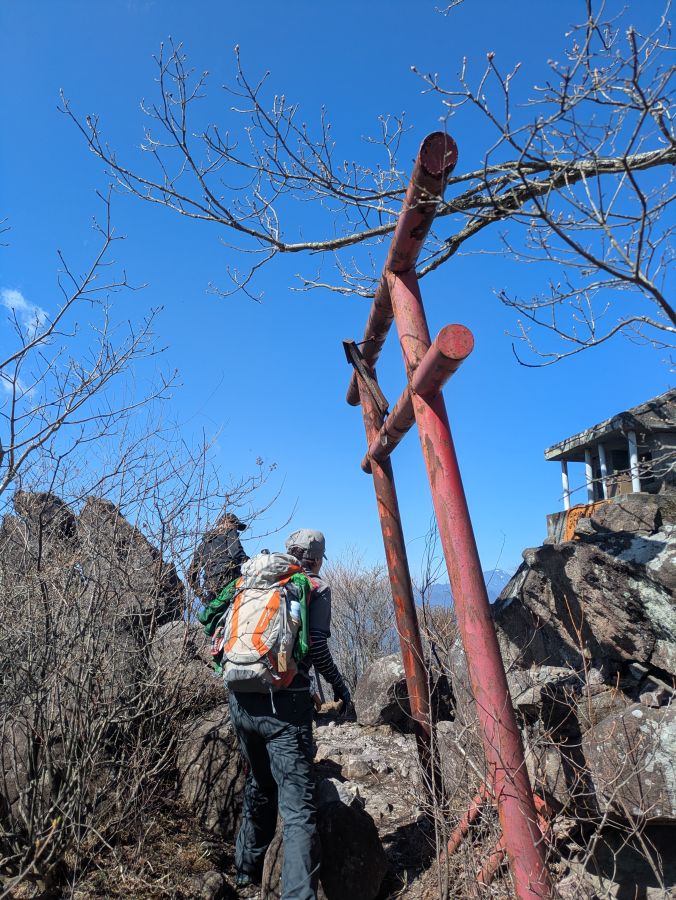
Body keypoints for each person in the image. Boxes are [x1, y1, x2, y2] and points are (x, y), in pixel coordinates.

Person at [229, 528, 351, 899]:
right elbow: (315, 646)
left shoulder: (255, 581)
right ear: (315, 558)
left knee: (260, 782)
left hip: (240, 697)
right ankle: (298, 895)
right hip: (284, 705)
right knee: (298, 810)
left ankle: (246, 871)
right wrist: (340, 687)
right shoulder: (313, 586)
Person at [188, 511, 248, 603]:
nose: (236, 529)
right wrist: (253, 563)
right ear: (229, 524)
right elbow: (237, 554)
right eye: (236, 526)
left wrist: (201, 596)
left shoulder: (203, 545)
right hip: (230, 582)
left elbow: (190, 573)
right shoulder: (229, 531)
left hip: (211, 589)